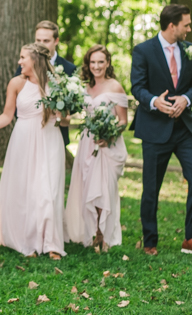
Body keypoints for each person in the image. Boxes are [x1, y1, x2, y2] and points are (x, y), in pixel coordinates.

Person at [131, 4, 192, 256]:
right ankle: (150, 240)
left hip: (185, 129)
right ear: (172, 25)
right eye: (186, 24)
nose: (189, 28)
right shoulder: (143, 50)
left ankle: (191, 238)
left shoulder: (189, 50)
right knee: (151, 187)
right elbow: (137, 87)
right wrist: (156, 102)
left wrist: (186, 98)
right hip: (155, 129)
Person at [0, 43, 67, 260]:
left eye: (23, 57)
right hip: (23, 140)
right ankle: (26, 241)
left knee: (49, 190)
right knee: (26, 190)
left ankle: (51, 243)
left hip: (50, 138)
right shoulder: (16, 83)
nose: (19, 61)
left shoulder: (56, 84)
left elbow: (66, 119)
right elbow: (6, 116)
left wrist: (61, 113)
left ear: (35, 60)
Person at [64, 45, 128, 252]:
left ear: (108, 63)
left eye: (101, 62)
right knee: (88, 186)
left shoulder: (115, 86)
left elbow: (123, 121)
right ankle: (93, 232)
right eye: (93, 62)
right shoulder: (85, 87)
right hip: (87, 143)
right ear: (88, 64)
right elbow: (77, 114)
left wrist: (109, 135)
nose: (96, 66)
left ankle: (103, 234)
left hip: (107, 145)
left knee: (103, 189)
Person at [15, 20, 76, 146]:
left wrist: (59, 109)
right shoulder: (24, 66)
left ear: (56, 41)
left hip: (56, 133)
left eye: (46, 41)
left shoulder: (69, 69)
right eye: (38, 40)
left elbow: (73, 105)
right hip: (27, 135)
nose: (41, 45)